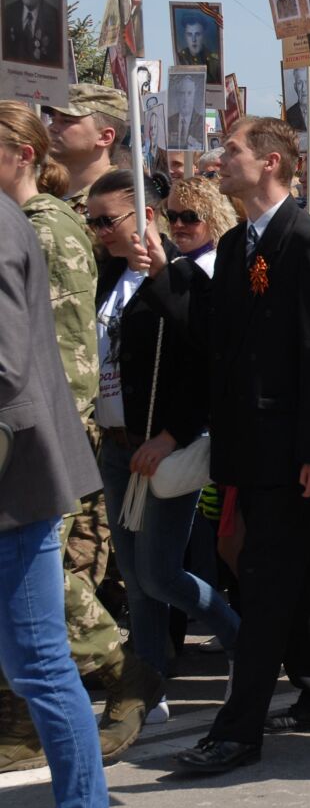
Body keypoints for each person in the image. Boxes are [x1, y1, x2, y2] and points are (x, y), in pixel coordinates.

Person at [172, 117, 310, 776]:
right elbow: (223, 342)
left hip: (290, 447)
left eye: (232, 150)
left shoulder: (309, 240)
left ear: (272, 162)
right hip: (248, 444)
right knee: (300, 572)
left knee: (265, 580)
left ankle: (237, 728)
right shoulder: (235, 245)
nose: (219, 158)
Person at [0, 105, 160, 774]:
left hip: (41, 432)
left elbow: (60, 353)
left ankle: (124, 671)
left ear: (23, 154)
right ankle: (22, 715)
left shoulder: (47, 230)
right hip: (34, 429)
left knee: (43, 581)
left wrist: (56, 435)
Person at [87, 171, 240, 707]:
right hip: (117, 443)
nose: (100, 231)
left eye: (109, 220)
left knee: (160, 573)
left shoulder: (184, 277)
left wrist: (172, 435)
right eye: (93, 221)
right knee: (135, 576)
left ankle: (244, 643)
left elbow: (206, 364)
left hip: (162, 448)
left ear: (144, 217)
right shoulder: (105, 274)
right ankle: (146, 691)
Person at [0, 189, 115, 808]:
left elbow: (6, 363)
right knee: (34, 666)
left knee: (40, 666)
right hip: (25, 473)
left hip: (17, 480)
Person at [44, 85, 125, 217]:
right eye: (53, 119)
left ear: (105, 136)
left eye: (66, 121)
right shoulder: (42, 191)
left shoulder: (124, 199)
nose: (52, 128)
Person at [168, 74, 207, 153]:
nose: (185, 99)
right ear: (177, 96)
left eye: (189, 93)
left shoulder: (201, 122)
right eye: (182, 93)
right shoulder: (169, 121)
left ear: (194, 95)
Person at [176, 18, 221, 85]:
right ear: (185, 36)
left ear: (203, 36)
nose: (194, 39)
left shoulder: (214, 60)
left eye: (197, 34)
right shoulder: (180, 57)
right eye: (189, 34)